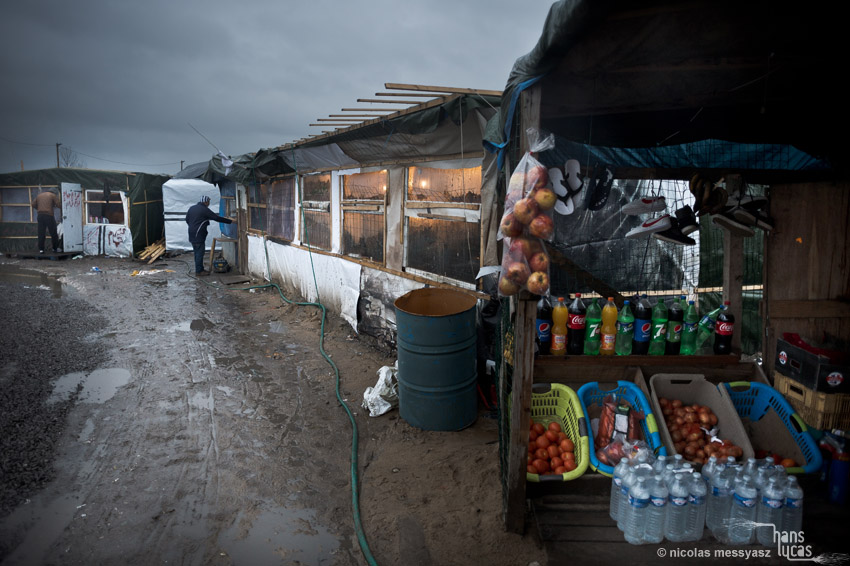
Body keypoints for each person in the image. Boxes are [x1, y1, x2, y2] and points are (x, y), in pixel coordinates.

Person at [185, 195, 233, 275]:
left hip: (191, 233)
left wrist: (193, 226)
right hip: (199, 234)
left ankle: (199, 269)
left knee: (196, 252)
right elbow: (216, 218)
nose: (209, 203)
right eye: (208, 202)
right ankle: (199, 271)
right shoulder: (204, 210)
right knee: (200, 252)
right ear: (206, 202)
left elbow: (187, 220)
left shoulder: (192, 208)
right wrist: (230, 221)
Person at [32, 188, 62, 254]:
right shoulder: (53, 195)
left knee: (41, 233)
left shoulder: (39, 195)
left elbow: (33, 204)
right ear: (54, 193)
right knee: (53, 232)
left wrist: (39, 208)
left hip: (40, 216)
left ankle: (41, 249)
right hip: (49, 215)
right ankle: (55, 248)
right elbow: (58, 205)